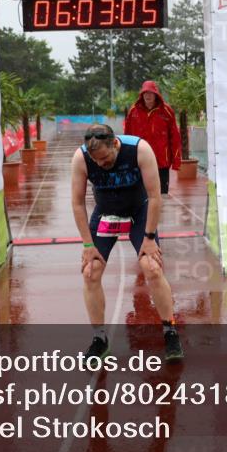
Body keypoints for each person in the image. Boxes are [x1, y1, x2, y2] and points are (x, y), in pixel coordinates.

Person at [71, 123, 183, 362]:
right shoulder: (80, 158)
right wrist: (88, 246)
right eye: (97, 161)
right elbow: (78, 203)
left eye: (105, 158)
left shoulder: (140, 149)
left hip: (139, 210)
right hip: (106, 212)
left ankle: (170, 330)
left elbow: (154, 197)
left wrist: (150, 237)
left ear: (115, 144)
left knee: (151, 267)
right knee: (91, 272)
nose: (101, 164)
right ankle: (99, 339)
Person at [124, 80, 182, 196]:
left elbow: (175, 137)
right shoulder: (133, 111)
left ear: (156, 95)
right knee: (141, 195)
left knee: (162, 195)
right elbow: (127, 136)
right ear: (142, 95)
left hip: (161, 162)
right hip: (140, 160)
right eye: (145, 93)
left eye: (150, 93)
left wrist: (176, 162)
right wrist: (127, 159)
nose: (148, 95)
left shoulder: (167, 111)